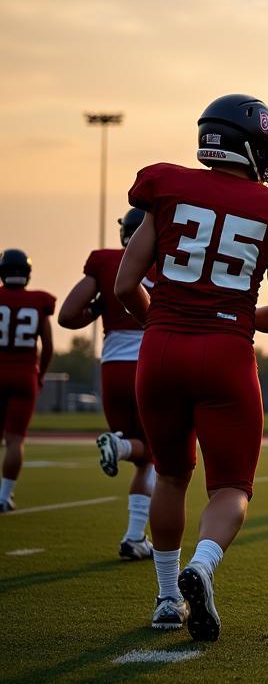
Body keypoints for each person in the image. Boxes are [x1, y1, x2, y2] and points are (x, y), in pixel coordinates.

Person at [115, 94, 268, 639]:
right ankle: (199, 567)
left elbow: (125, 285)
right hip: (227, 352)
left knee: (172, 472)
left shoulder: (168, 189)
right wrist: (233, 316)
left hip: (160, 348)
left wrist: (167, 320)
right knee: (231, 487)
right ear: (251, 145)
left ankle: (162, 598)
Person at [58, 209, 157, 560]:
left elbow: (68, 315)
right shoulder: (170, 259)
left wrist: (99, 309)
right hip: (152, 364)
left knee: (142, 453)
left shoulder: (104, 262)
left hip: (113, 366)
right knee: (158, 456)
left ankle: (134, 538)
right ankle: (120, 450)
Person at [0, 250, 54, 512]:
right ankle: (4, 496)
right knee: (14, 440)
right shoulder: (38, 301)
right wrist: (40, 374)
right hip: (23, 375)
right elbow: (48, 345)